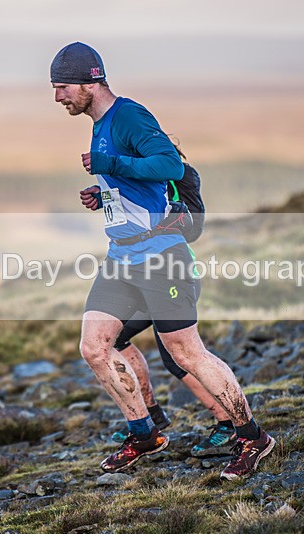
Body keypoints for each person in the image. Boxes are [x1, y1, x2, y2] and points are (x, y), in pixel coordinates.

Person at [51, 42, 274, 480]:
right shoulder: (99, 123)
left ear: (90, 82)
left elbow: (170, 165)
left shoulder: (128, 116)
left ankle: (252, 437)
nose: (58, 97)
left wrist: (110, 162)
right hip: (122, 257)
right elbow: (141, 187)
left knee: (186, 353)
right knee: (95, 347)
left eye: (62, 87)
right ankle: (144, 433)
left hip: (160, 257)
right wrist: (105, 194)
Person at [85, 147, 237, 457]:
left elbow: (193, 229)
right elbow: (130, 215)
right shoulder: (127, 174)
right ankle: (151, 414)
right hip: (135, 274)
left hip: (169, 272)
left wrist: (166, 221)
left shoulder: (179, 174)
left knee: (178, 356)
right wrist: (104, 199)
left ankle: (228, 424)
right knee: (115, 338)